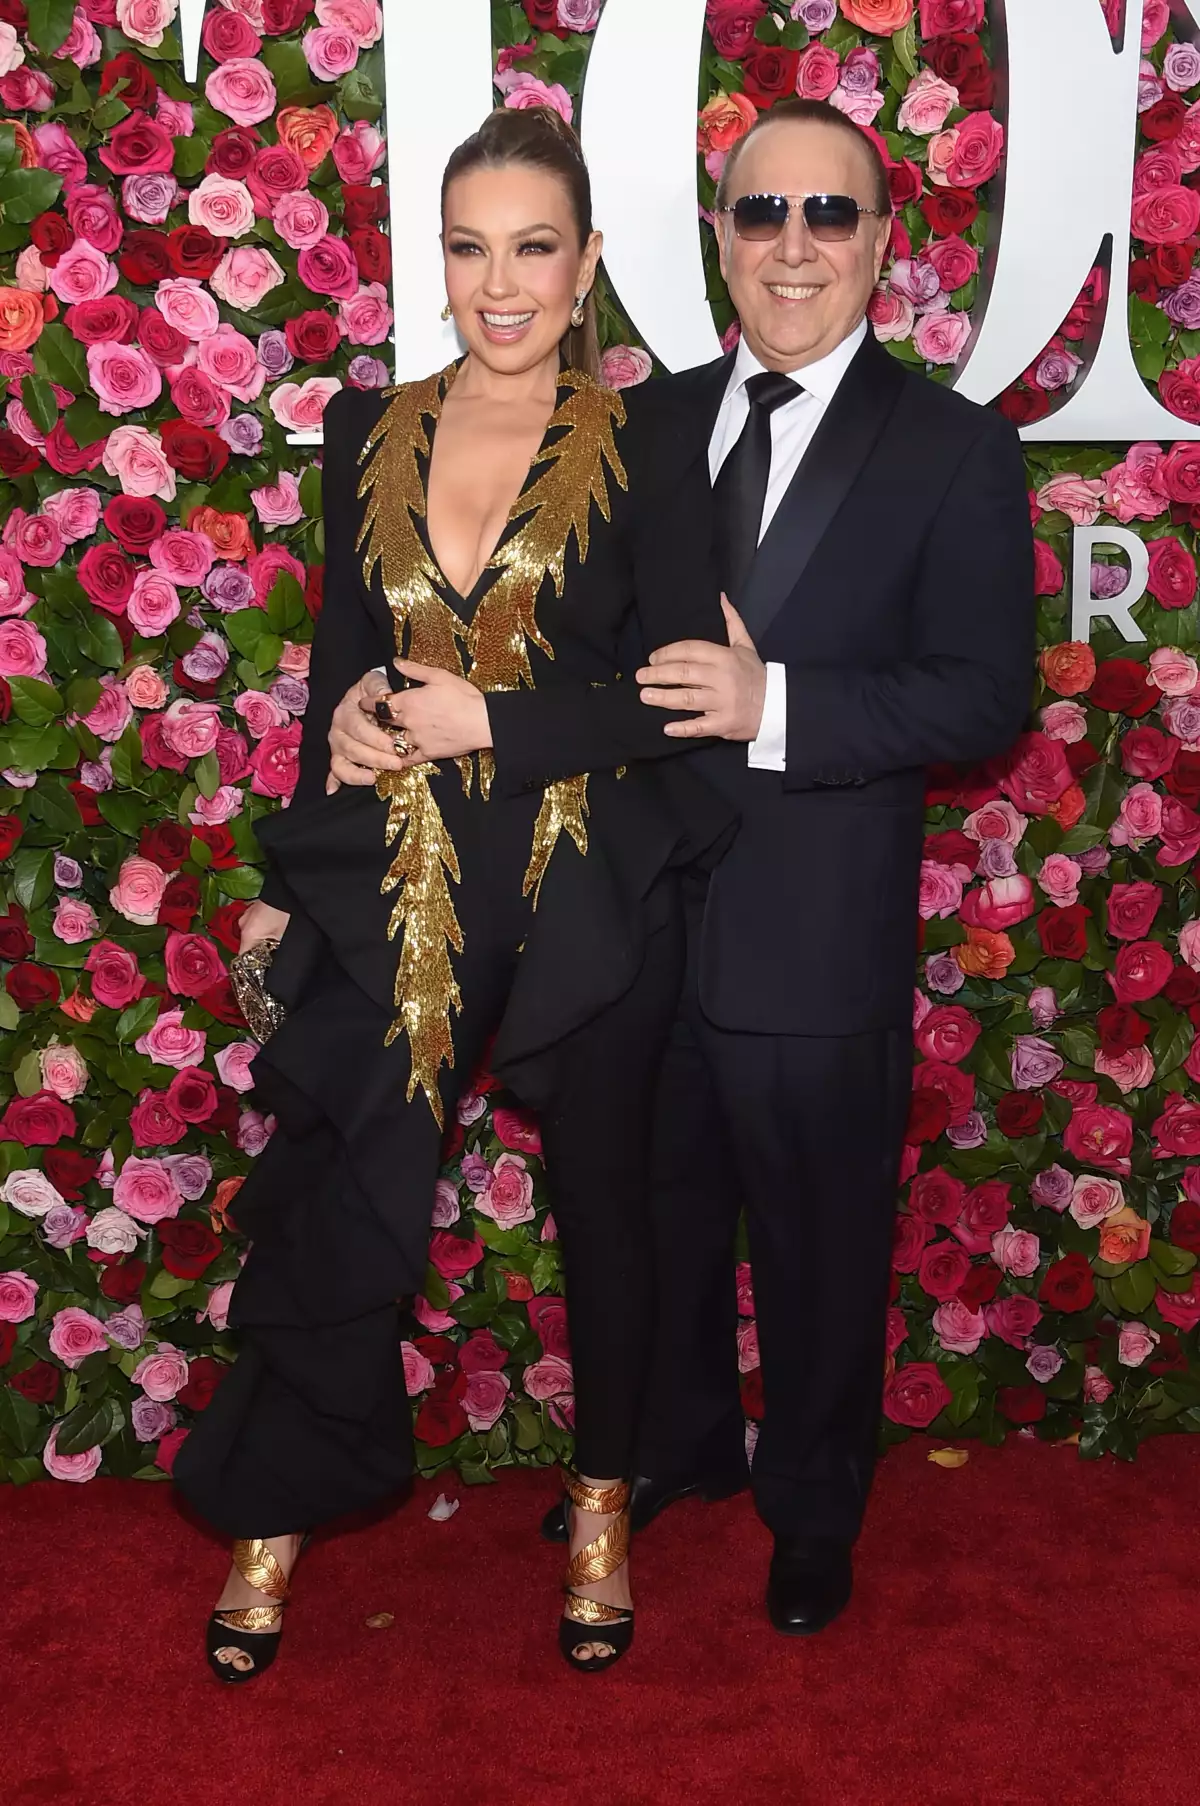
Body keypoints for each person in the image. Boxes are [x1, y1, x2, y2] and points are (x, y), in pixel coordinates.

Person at [328, 97, 1035, 1637]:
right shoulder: (643, 424)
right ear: (717, 238)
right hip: (629, 916)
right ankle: (678, 1449)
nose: (793, 245)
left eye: (829, 215)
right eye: (760, 212)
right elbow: (523, 630)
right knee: (648, 1205)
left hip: (809, 924)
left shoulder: (955, 450)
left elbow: (988, 693)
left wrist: (771, 702)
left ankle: (815, 1503)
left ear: (884, 243)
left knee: (816, 1229)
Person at [174, 105, 735, 1682]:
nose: (503, 285)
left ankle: (606, 1500)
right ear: (441, 260)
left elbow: (677, 693)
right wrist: (313, 819)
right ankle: (275, 1512)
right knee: (343, 1187)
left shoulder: (655, 443)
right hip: (400, 868)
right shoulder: (372, 426)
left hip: (587, 879)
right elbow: (344, 661)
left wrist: (502, 715)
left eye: (534, 248)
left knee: (604, 1208)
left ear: (591, 263)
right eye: (472, 249)